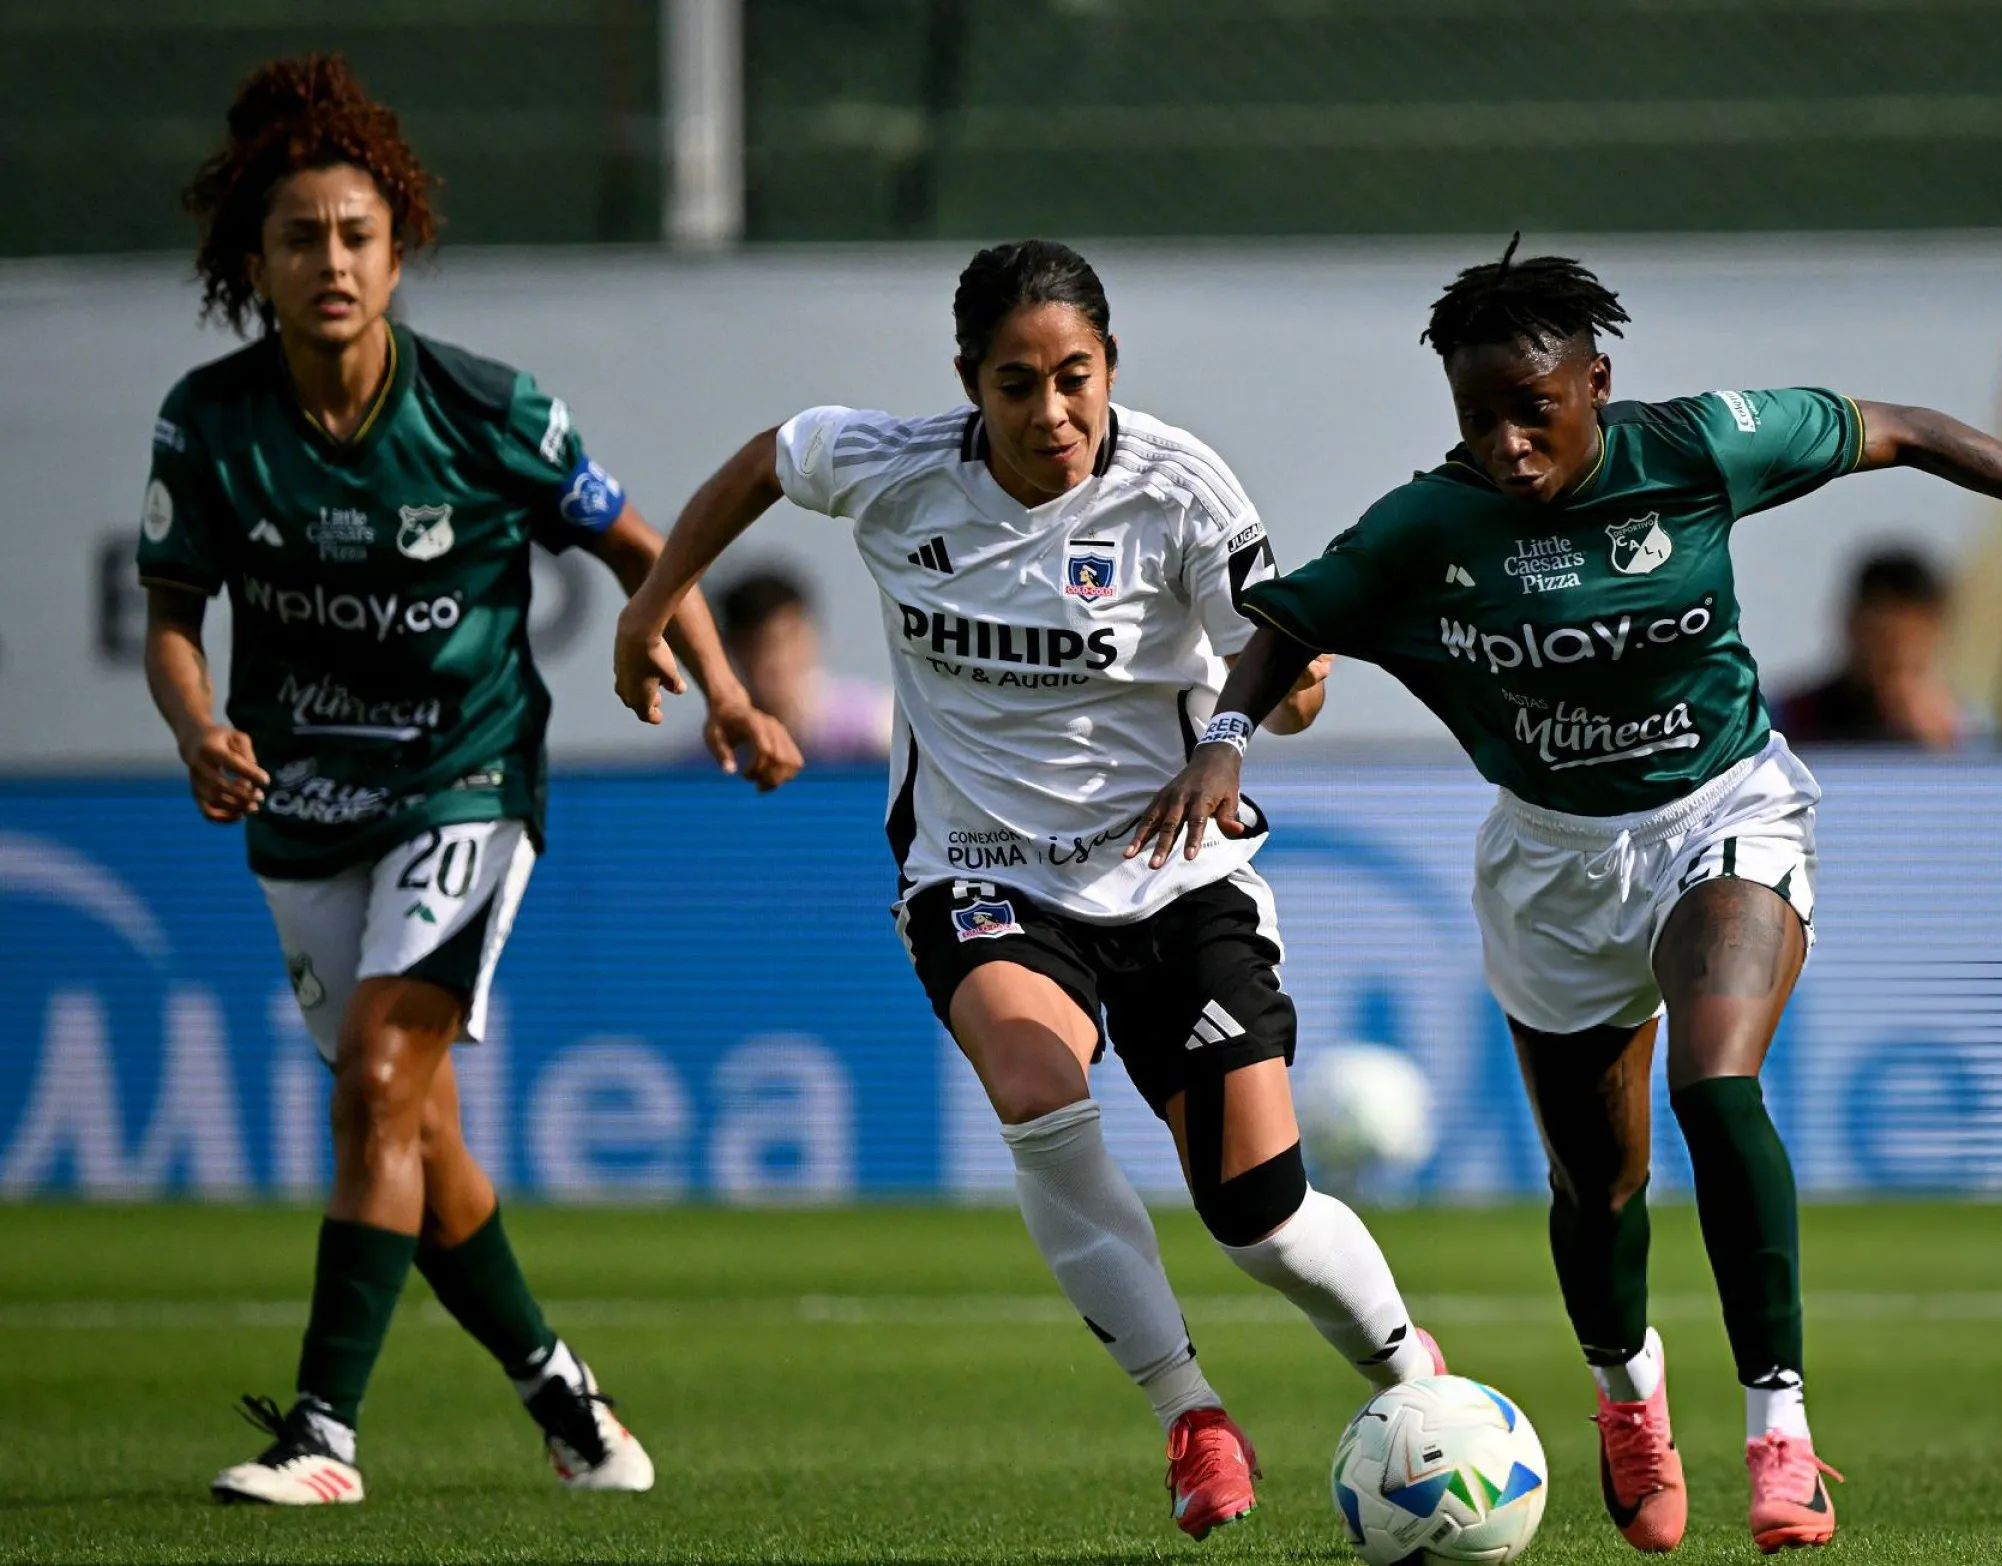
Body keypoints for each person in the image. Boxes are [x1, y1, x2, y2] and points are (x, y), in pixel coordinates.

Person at [1126, 241, 2002, 1554]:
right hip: (1552, 859)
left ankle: (1779, 1429)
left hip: (1723, 810)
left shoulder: (1703, 448)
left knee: (1717, 1079)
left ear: (1596, 383)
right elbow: (1288, 623)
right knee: (1598, 1187)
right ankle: (1626, 1391)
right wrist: (1226, 740)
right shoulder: (1424, 530)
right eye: (1474, 415)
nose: (1503, 443)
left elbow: (1910, 430)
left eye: (1530, 411)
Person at [612, 239, 1441, 1540]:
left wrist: (1270, 700)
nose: (1051, 412)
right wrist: (655, 602)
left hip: (1175, 878)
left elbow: (1284, 666)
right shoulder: (893, 467)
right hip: (980, 870)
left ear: (1110, 368)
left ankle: (1415, 1381)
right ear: (968, 383)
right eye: (1018, 385)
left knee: (1259, 1217)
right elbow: (767, 457)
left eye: (1075, 378)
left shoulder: (1182, 490)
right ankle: (1189, 1411)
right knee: (1033, 1081)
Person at [137, 54, 800, 1507]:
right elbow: (174, 618)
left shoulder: (487, 410)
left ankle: (323, 1432)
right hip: (304, 810)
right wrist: (197, 729)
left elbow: (648, 553)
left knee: (378, 1079)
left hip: (467, 781)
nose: (331, 260)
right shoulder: (210, 424)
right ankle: (566, 1398)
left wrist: (731, 696)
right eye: (300, 235)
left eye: (357, 235)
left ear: (398, 248)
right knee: (415, 1131)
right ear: (252, 256)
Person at [1776, 548, 1967, 747]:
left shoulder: (1964, 729)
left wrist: (1940, 746)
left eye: (1911, 641)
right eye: (1884, 640)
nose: (1897, 656)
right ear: (1852, 625)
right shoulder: (1788, 719)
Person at [715, 568, 897, 761]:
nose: (776, 660)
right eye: (757, 646)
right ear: (728, 650)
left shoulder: (876, 727)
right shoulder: (712, 757)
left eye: (788, 639)